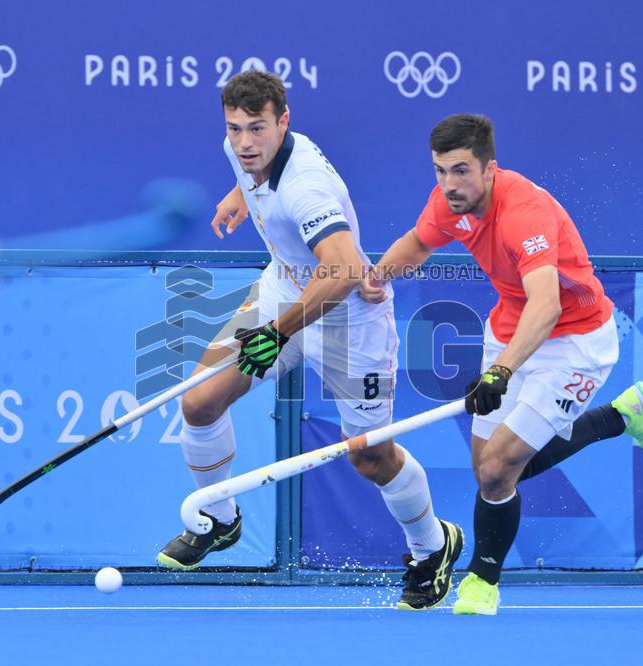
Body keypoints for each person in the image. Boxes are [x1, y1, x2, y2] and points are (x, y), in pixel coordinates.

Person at [156, 70, 463, 610]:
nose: (245, 143)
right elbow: (249, 174)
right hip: (284, 291)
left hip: (347, 320)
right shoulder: (241, 150)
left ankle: (432, 546)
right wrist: (238, 199)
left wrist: (276, 333)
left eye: (257, 129)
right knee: (200, 400)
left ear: (284, 122)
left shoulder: (306, 188)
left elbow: (343, 270)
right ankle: (222, 520)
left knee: (369, 457)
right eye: (235, 130)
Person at [362, 114, 643, 616]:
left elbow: (547, 305)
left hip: (575, 340)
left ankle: (483, 579)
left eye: (460, 171)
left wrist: (501, 373)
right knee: (489, 471)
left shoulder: (526, 212)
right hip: (507, 330)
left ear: (490, 168)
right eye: (439, 171)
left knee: (499, 469)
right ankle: (618, 416)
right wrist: (377, 276)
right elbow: (418, 241)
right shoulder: (448, 203)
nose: (449, 185)